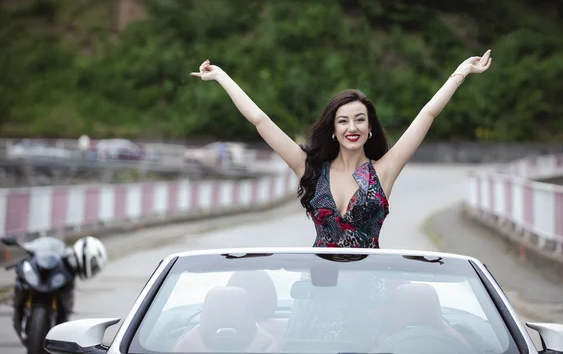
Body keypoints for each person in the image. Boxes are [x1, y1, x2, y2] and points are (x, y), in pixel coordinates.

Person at [191, 49, 492, 248]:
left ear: (370, 127)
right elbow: (260, 121)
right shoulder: (309, 168)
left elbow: (427, 114)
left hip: (368, 286)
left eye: (360, 120)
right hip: (319, 285)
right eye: (344, 121)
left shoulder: (383, 171)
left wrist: (461, 73)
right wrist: (221, 77)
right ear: (333, 130)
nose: (352, 127)